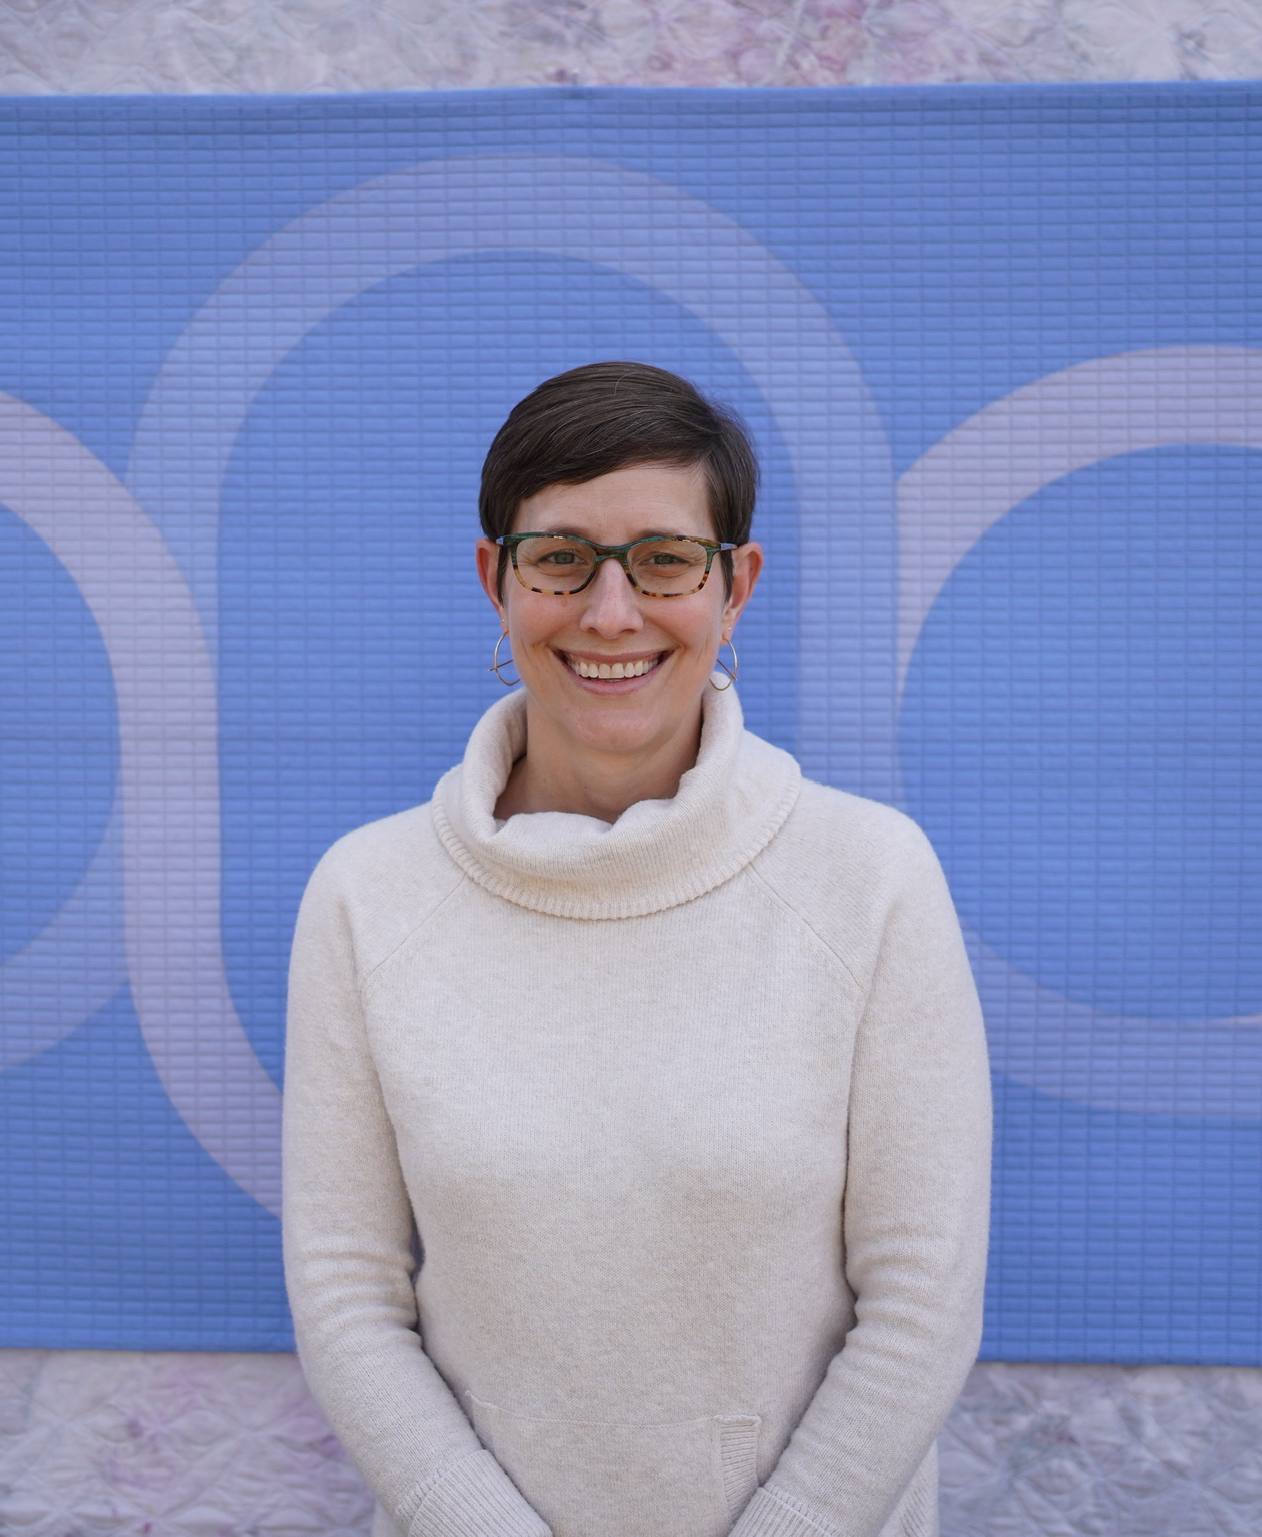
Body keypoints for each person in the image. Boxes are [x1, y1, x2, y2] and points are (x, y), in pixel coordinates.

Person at [282, 361, 991, 1537]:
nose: (611, 612)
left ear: (734, 587)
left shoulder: (870, 878)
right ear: (495, 580)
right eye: (560, 558)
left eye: (663, 560)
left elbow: (922, 1302)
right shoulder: (367, 895)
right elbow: (344, 1292)